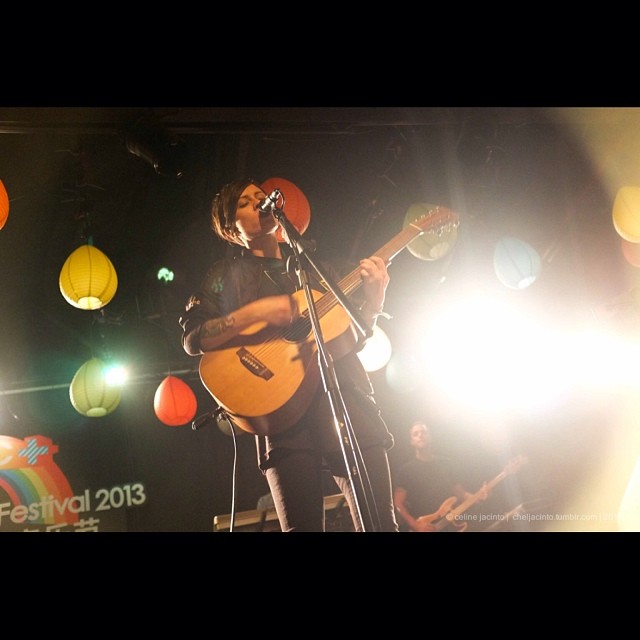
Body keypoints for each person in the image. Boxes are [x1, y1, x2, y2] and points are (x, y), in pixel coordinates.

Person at [179, 178, 399, 532]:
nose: (258, 203)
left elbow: (349, 337)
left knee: (381, 524)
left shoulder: (313, 266)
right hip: (281, 414)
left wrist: (375, 300)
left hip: (344, 397)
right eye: (245, 203)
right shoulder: (225, 276)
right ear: (230, 230)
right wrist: (257, 313)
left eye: (261, 197)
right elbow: (193, 337)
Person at [393, 420, 488, 532]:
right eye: (416, 434)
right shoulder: (406, 470)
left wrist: (477, 496)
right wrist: (415, 525)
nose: (420, 435)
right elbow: (398, 503)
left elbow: (460, 493)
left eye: (423, 432)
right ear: (411, 441)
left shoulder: (446, 464)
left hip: (450, 525)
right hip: (425, 527)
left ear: (430, 437)